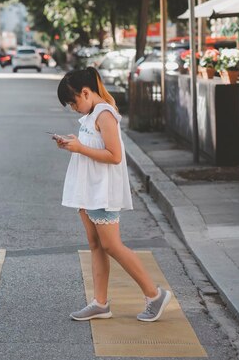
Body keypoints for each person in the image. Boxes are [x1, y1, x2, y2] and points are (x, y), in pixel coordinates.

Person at [54, 67, 171, 322]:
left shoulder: (104, 113)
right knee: (96, 246)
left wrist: (80, 147)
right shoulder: (91, 114)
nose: (74, 108)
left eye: (74, 102)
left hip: (101, 191)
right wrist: (73, 143)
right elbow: (92, 144)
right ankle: (100, 303)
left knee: (111, 245)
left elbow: (114, 155)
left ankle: (154, 295)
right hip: (88, 189)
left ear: (86, 92)